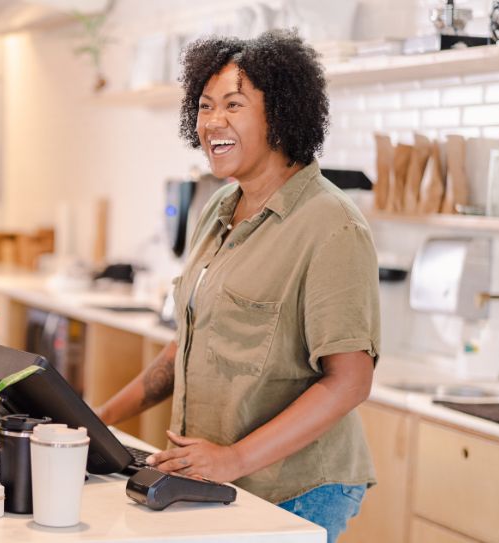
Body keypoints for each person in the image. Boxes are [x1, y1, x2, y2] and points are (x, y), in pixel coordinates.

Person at [97, 30, 379, 542]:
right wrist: (97, 422)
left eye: (233, 104)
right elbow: (190, 340)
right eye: (204, 107)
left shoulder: (331, 225)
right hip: (216, 479)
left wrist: (234, 458)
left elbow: (350, 381)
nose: (212, 122)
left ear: (282, 114)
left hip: (297, 487)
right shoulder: (217, 210)